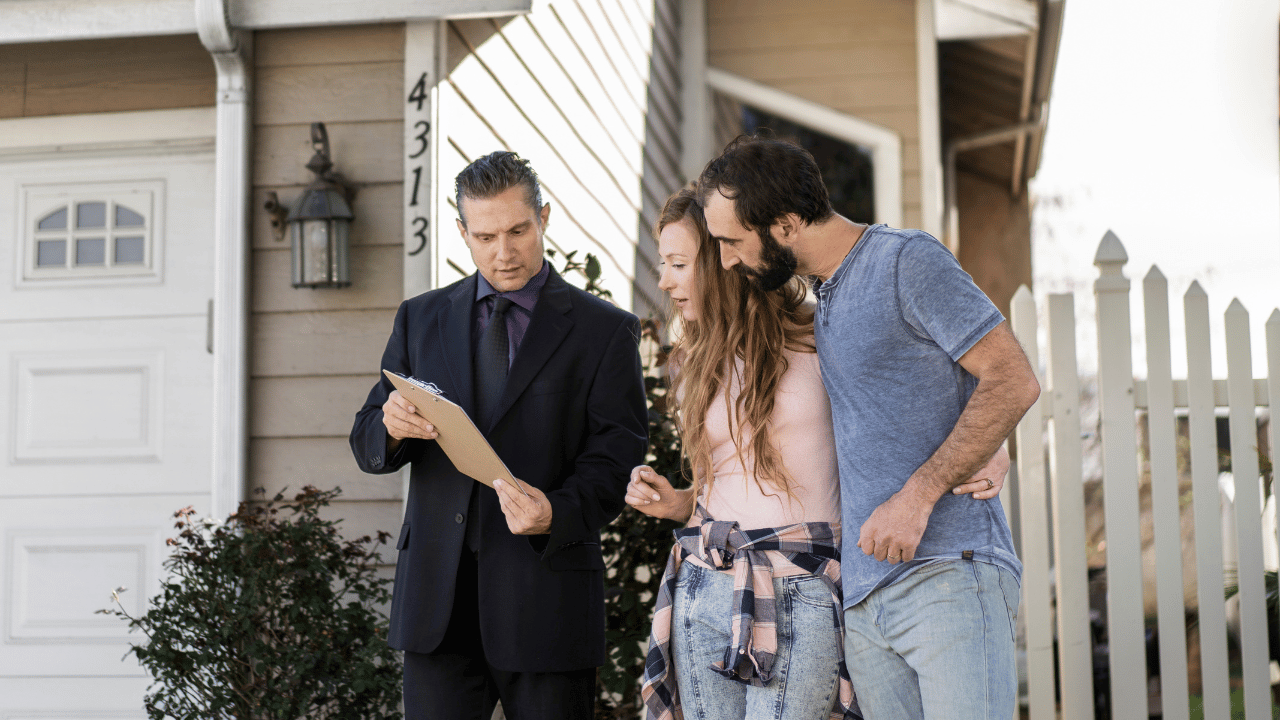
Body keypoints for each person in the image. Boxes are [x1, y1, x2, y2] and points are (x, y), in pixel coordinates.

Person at [628, 188, 1009, 720]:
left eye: (677, 263)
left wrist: (992, 446)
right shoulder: (693, 358)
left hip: (801, 584)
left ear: (724, 260)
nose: (664, 281)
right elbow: (734, 475)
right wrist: (680, 501)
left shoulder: (819, 330)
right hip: (705, 578)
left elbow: (944, 378)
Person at [697, 136, 1041, 720]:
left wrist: (920, 493)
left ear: (783, 225)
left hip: (946, 576)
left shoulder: (905, 260)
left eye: (732, 241)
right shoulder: (825, 301)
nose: (726, 259)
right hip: (866, 597)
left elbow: (1012, 378)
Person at [349, 151, 648, 720]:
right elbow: (367, 438)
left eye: (518, 231)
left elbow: (617, 459)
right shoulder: (419, 318)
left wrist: (555, 513)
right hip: (437, 604)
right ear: (462, 232)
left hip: (547, 601)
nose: (503, 252)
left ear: (545, 218)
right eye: (485, 236)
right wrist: (390, 427)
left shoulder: (605, 331)